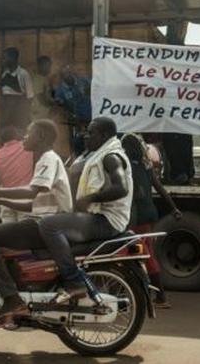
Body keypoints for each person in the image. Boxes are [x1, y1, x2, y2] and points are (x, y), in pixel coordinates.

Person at [0, 119, 72, 329]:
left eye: (28, 133)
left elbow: (30, 192)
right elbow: (31, 204)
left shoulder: (48, 159)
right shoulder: (43, 159)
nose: (25, 137)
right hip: (41, 221)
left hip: (43, 225)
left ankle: (12, 299)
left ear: (41, 137)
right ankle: (13, 298)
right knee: (1, 243)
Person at [38, 117, 133, 301]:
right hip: (96, 217)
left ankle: (74, 282)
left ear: (104, 135)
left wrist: (90, 198)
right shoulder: (93, 155)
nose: (85, 136)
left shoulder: (111, 156)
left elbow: (121, 188)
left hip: (106, 220)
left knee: (48, 225)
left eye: (91, 132)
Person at [121, 133, 181, 308]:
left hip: (136, 218)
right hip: (149, 215)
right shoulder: (145, 166)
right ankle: (156, 296)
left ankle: (149, 296)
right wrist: (174, 209)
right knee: (147, 254)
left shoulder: (126, 168)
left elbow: (136, 193)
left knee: (135, 255)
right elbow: (160, 188)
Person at [0, 126, 34, 223]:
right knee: (24, 232)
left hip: (6, 199)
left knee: (7, 233)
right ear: (16, 135)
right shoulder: (26, 148)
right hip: (25, 198)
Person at [54, 64, 92, 156]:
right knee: (76, 140)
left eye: (70, 72)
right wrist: (69, 115)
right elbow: (60, 107)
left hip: (91, 116)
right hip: (75, 120)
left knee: (92, 138)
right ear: (62, 76)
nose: (69, 75)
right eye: (65, 74)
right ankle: (76, 157)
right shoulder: (60, 90)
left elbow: (97, 89)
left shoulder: (84, 81)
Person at [0, 47, 34, 129]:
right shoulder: (4, 74)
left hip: (19, 112)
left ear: (12, 58)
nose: (2, 60)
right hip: (7, 113)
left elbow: (30, 96)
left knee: (19, 135)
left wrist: (23, 114)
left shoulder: (24, 74)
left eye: (4, 58)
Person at [30, 56, 55, 121]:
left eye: (50, 65)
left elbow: (48, 94)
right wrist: (52, 106)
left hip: (44, 114)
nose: (49, 68)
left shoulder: (45, 78)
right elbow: (40, 97)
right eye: (47, 66)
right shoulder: (37, 80)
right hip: (38, 115)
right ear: (40, 66)